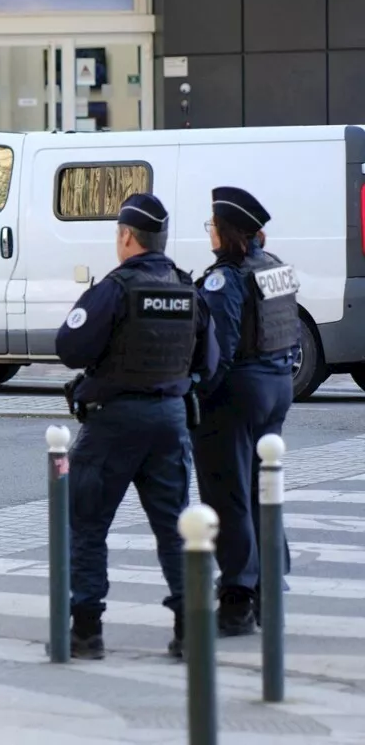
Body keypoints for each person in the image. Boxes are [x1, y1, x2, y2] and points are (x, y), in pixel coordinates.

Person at [55, 193, 219, 660]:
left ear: (127, 236)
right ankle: (190, 630)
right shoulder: (188, 289)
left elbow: (70, 346)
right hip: (170, 421)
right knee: (175, 529)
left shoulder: (116, 287)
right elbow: (208, 363)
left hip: (114, 423)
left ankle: (86, 631)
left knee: (88, 524)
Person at [193, 186, 297, 636]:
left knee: (228, 493)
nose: (209, 233)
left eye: (212, 226)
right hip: (276, 387)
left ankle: (237, 595)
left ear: (227, 231)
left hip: (238, 394)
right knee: (262, 491)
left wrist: (199, 395)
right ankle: (269, 582)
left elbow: (221, 348)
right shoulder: (275, 268)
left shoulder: (226, 277)